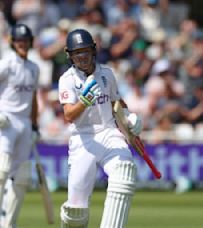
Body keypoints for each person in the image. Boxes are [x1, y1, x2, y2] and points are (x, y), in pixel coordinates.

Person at [58, 28, 142, 228]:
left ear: (93, 51)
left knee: (124, 170)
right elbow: (69, 115)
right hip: (83, 139)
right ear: (70, 55)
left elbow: (117, 104)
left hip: (108, 132)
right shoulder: (67, 80)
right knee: (75, 211)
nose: (82, 56)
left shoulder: (107, 74)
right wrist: (84, 102)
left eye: (86, 51)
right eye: (77, 53)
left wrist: (129, 119)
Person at [0, 23, 39, 228]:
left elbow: (33, 98)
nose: (23, 44)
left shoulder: (34, 68)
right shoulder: (5, 64)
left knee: (21, 176)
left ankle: (9, 222)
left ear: (31, 42)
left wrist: (35, 125)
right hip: (5, 121)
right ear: (12, 42)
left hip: (24, 123)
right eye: (19, 40)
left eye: (26, 40)